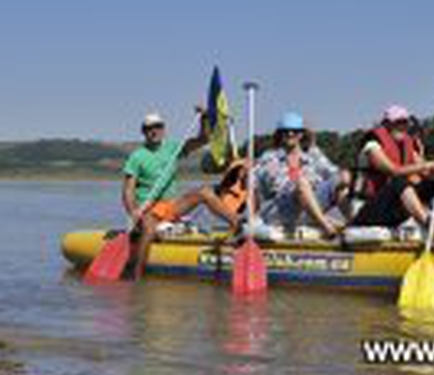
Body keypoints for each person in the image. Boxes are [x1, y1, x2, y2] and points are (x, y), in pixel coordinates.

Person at [123, 111, 240, 279]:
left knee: (205, 192)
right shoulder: (137, 156)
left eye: (157, 127)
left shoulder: (172, 148)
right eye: (149, 128)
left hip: (171, 206)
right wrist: (133, 211)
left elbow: (203, 140)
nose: (154, 131)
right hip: (148, 209)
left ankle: (238, 225)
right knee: (148, 229)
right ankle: (137, 276)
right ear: (143, 131)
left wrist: (204, 118)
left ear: (163, 129)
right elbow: (127, 190)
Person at [351, 105, 434, 241]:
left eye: (405, 123)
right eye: (398, 122)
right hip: (370, 211)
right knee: (399, 181)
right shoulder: (372, 145)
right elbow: (393, 170)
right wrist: (429, 164)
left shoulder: (408, 145)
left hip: (394, 211)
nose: (402, 126)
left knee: (430, 186)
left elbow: (425, 171)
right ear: (387, 124)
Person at [253, 112, 351, 238]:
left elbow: (336, 175)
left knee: (340, 186)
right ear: (280, 134)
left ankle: (357, 225)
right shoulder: (269, 157)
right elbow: (253, 186)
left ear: (301, 134)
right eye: (286, 131)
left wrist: (345, 178)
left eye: (295, 131)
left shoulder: (314, 155)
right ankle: (328, 229)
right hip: (282, 209)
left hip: (309, 208)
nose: (290, 134)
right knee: (302, 183)